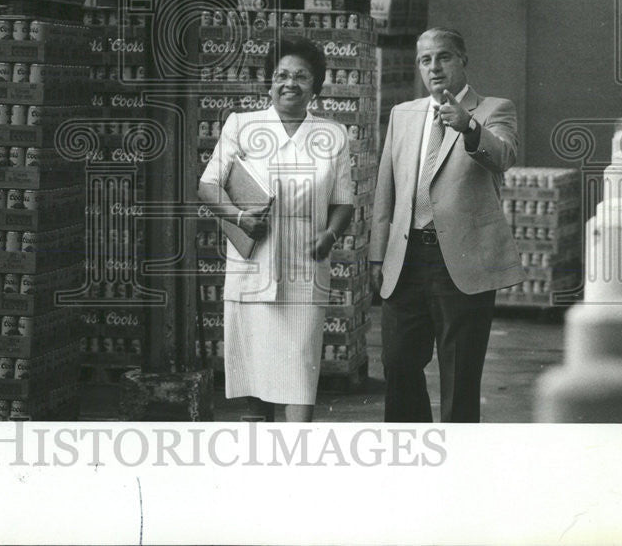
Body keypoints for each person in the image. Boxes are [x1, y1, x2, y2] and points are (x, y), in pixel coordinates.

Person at [369, 27, 525, 423]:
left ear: (462, 60)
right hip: (405, 259)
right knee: (398, 363)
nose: (434, 67)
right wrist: (377, 256)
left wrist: (467, 126)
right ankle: (409, 458)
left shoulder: (494, 109)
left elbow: (503, 156)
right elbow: (386, 192)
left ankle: (458, 470)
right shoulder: (402, 115)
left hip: (462, 261)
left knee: (459, 377)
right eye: (425, 60)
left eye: (444, 57)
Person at [198, 36, 354, 423]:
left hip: (305, 265)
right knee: (255, 383)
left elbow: (344, 201)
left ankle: (295, 464)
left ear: (315, 86)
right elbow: (208, 185)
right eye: (282, 74)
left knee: (299, 373)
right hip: (255, 261)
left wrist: (329, 236)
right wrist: (238, 218)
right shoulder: (243, 125)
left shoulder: (332, 135)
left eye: (301, 77)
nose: (290, 83)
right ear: (269, 82)